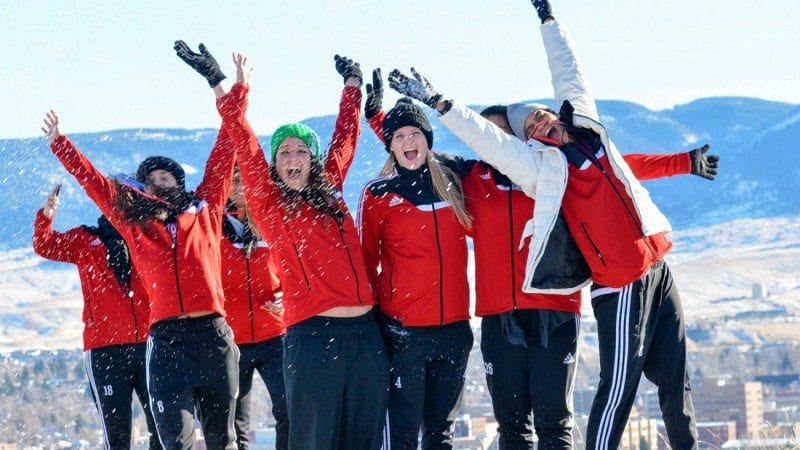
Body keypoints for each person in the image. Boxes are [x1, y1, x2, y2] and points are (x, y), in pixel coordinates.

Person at [387, 1, 720, 448]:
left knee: (661, 386)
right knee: (594, 393)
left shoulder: (584, 136)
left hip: (611, 285)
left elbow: (572, 75)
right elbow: (452, 145)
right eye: (528, 125)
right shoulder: (532, 173)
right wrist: (436, 104)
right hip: (575, 292)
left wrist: (549, 20)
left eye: (539, 116)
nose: (541, 121)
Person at [42, 45, 246, 449]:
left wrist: (225, 86)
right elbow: (96, 184)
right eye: (151, 176)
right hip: (166, 343)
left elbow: (229, 144)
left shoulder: (207, 206)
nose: (161, 178)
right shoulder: (134, 223)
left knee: (224, 439)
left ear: (180, 181)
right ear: (143, 187)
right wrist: (60, 144)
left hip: (213, 336)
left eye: (168, 173)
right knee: (176, 442)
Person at [217, 52, 389, 450]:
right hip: (314, 337)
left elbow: (345, 138)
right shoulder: (269, 206)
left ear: (313, 159)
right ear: (274, 164)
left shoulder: (330, 191)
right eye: (283, 152)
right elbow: (242, 140)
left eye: (300, 151)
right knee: (314, 440)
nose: (292, 158)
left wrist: (352, 86)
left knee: (363, 439)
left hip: (366, 333)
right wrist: (229, 88)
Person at [358, 90, 475, 450]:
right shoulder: (378, 194)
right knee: (402, 435)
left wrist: (387, 117)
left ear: (428, 140)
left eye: (416, 134)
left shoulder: (454, 180)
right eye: (398, 137)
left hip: (455, 330)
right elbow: (365, 261)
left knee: (441, 435)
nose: (408, 142)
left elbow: (502, 158)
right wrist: (374, 325)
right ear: (389, 145)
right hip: (405, 334)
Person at [32, 184, 158, 450]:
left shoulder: (150, 237)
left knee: (162, 427)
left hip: (150, 346)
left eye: (129, 199)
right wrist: (46, 214)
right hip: (105, 351)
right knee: (116, 435)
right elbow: (44, 245)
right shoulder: (85, 241)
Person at [221, 167, 288, 450]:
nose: (241, 186)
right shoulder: (213, 224)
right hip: (231, 340)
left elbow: (295, 266)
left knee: (289, 411)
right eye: (234, 180)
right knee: (235, 424)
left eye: (246, 179)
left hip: (276, 336)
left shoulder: (273, 217)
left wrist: (287, 294)